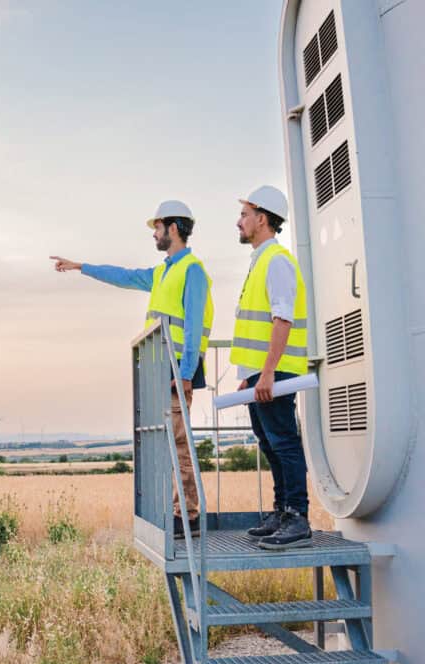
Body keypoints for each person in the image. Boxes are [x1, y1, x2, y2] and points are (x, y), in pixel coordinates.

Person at [51, 200, 213, 538]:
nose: (153, 233)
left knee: (178, 442)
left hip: (176, 369)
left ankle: (189, 516)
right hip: (159, 367)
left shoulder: (192, 270)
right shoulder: (162, 272)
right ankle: (178, 511)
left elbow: (194, 326)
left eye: (157, 227)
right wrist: (81, 266)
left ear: (173, 228)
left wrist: (185, 374)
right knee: (166, 443)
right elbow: (123, 276)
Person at [231, 186, 312, 550]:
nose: (240, 221)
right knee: (269, 442)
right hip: (261, 372)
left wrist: (266, 372)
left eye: (245, 214)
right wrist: (249, 374)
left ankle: (297, 516)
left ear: (261, 219)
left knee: (284, 442)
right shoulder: (260, 260)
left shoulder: (276, 260)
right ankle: (282, 511)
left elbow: (283, 319)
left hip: (276, 372)